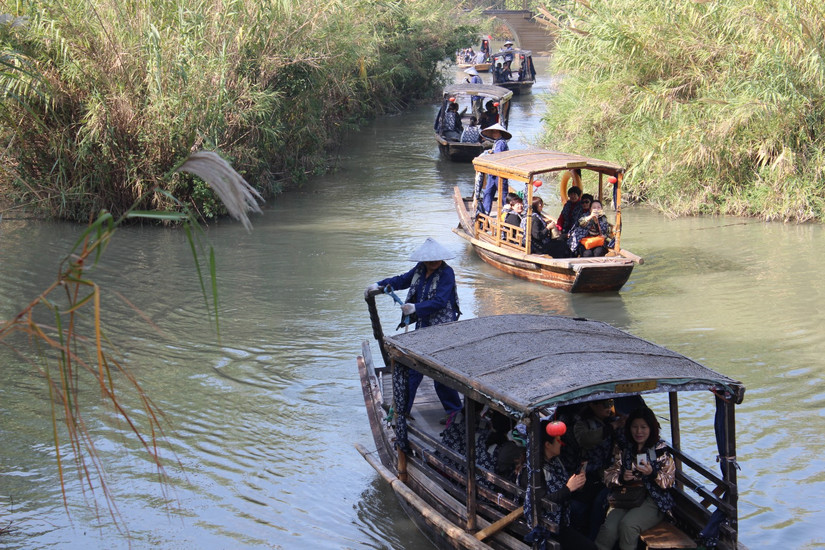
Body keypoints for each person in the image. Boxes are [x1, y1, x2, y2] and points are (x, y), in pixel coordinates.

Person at [364, 238, 463, 421]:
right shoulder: (420, 269)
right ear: (424, 259)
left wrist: (416, 308)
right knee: (413, 368)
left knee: (440, 372)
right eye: (430, 259)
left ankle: (454, 412)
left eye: (437, 259)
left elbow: (441, 301)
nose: (434, 262)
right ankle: (403, 410)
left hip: (442, 328)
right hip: (423, 325)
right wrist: (379, 284)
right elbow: (402, 280)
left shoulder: (447, 273)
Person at [595, 407, 675, 550]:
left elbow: (669, 481)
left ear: (651, 428)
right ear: (629, 428)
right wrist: (621, 478)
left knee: (628, 525)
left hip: (653, 500)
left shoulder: (660, 450)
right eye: (635, 427)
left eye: (643, 427)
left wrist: (653, 474)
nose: (639, 432)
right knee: (608, 529)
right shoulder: (624, 448)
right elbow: (608, 476)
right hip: (626, 497)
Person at [535, 420, 598, 550]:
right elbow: (540, 503)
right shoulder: (534, 471)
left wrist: (577, 485)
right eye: (558, 441)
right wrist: (568, 489)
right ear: (547, 444)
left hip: (561, 522)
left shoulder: (556, 462)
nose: (561, 444)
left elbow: (566, 488)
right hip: (546, 528)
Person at [480, 123, 511, 215]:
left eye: (496, 132)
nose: (494, 134)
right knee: (488, 192)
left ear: (500, 133)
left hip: (499, 173)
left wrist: (490, 154)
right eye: (493, 132)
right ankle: (485, 213)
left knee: (503, 195)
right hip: (493, 173)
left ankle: (506, 214)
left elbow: (498, 156)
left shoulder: (501, 142)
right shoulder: (497, 142)